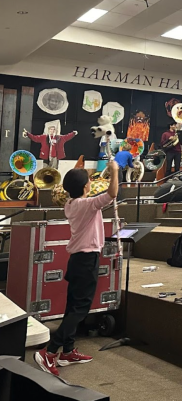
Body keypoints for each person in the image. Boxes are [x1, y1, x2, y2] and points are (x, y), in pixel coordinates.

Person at [35, 160, 120, 376]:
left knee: (73, 307)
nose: (91, 182)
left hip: (77, 260)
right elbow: (112, 193)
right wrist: (115, 171)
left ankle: (68, 351)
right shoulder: (86, 204)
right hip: (85, 260)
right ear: (84, 187)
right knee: (80, 309)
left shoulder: (72, 204)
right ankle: (49, 351)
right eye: (89, 180)